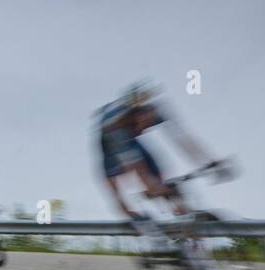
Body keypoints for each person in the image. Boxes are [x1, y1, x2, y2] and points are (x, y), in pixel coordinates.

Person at [95, 80, 223, 228]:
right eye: (141, 119)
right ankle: (138, 216)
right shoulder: (115, 127)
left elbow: (183, 140)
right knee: (133, 190)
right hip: (111, 146)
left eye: (147, 116)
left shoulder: (154, 112)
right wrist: (154, 187)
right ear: (131, 115)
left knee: (160, 173)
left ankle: (182, 213)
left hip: (131, 142)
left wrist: (210, 161)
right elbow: (137, 169)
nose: (146, 123)